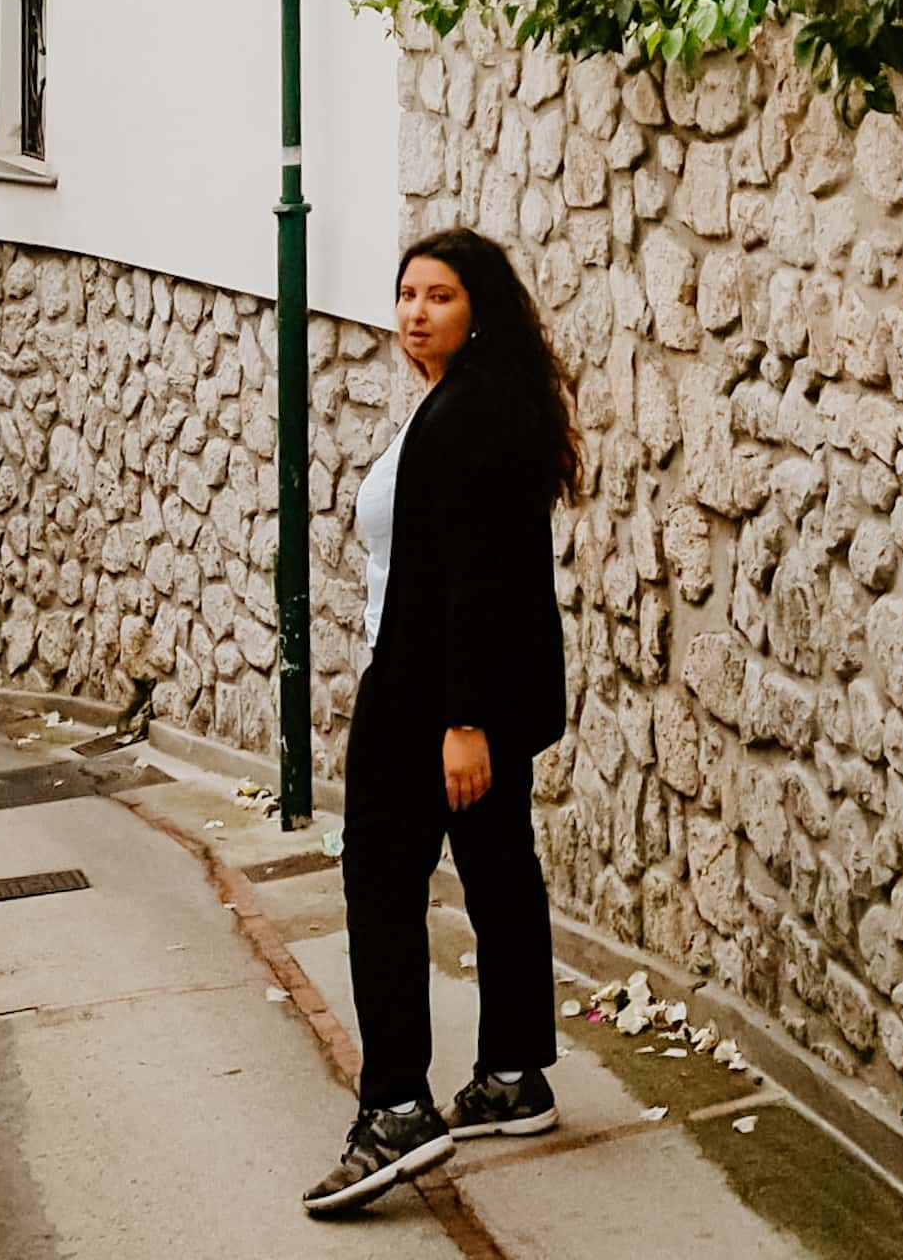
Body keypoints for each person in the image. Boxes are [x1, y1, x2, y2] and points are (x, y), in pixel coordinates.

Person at [302, 227, 579, 1218]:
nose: (415, 312)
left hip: (428, 693)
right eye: (407, 293)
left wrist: (462, 721)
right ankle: (511, 1075)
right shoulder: (478, 399)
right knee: (498, 864)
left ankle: (396, 1109)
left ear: (479, 310)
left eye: (440, 296)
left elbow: (475, 580)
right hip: (467, 691)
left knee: (379, 880)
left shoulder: (468, 413)